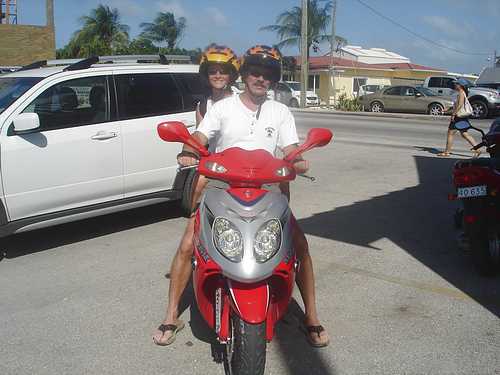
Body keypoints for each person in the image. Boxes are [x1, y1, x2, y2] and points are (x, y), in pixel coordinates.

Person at [152, 45, 329, 348]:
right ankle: (171, 315)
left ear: (274, 79)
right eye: (256, 72)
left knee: (299, 245)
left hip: (268, 188)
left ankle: (311, 315)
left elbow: (289, 148)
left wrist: (297, 159)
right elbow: (200, 136)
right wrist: (188, 150)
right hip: (222, 185)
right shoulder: (223, 108)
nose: (261, 78)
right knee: (186, 244)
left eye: (268, 74)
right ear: (245, 75)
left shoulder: (280, 111)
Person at [438, 78, 480, 157]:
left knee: (450, 133)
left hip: (458, 116)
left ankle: (447, 152)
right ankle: (477, 149)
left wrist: (453, 114)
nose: (455, 85)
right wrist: (448, 109)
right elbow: (456, 104)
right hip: (462, 116)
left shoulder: (461, 93)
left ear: (460, 86)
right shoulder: (462, 93)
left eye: (456, 84)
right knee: (464, 134)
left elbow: (460, 105)